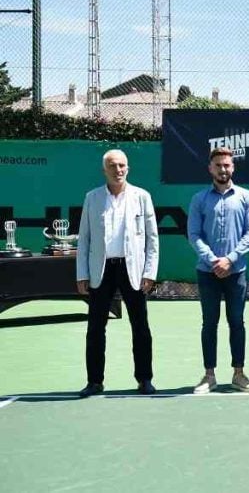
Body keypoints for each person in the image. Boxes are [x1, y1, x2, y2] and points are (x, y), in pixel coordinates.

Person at [76, 149, 159, 397]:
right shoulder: (92, 198)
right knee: (95, 328)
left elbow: (152, 239)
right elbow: (85, 239)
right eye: (113, 166)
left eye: (122, 165)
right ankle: (94, 381)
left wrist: (150, 272)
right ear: (105, 170)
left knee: (140, 326)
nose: (118, 170)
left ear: (128, 168)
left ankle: (144, 379)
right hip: (100, 271)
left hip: (132, 269)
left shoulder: (142, 197)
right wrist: (82, 273)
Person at [187, 147, 249, 394]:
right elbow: (194, 235)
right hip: (207, 273)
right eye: (218, 165)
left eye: (227, 165)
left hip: (236, 272)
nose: (223, 169)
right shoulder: (199, 199)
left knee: (237, 322)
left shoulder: (246, 197)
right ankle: (209, 375)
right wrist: (213, 260)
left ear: (233, 167)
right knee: (210, 323)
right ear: (210, 168)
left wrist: (230, 259)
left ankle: (238, 374)